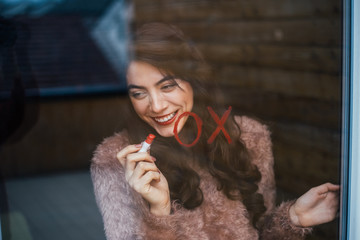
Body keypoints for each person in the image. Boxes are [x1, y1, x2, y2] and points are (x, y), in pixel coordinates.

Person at [91, 23, 339, 240]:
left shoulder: (249, 138)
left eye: (167, 86)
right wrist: (160, 213)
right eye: (138, 93)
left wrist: (293, 218)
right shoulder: (115, 161)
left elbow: (261, 233)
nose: (156, 106)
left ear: (193, 81)